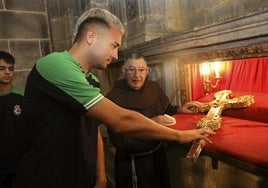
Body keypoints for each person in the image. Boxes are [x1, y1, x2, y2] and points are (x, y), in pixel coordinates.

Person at [14, 8, 214, 188]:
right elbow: (121, 120)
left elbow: (93, 131)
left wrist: (100, 175)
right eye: (113, 45)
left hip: (80, 176)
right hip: (46, 177)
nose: (116, 54)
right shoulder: (55, 64)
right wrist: (180, 135)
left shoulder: (91, 79)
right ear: (91, 36)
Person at [106, 51, 202, 188]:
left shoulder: (153, 88)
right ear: (123, 70)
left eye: (141, 70)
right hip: (133, 163)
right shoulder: (113, 98)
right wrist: (151, 123)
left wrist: (179, 109)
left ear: (147, 70)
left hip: (158, 156)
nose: (137, 76)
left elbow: (165, 110)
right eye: (131, 70)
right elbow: (118, 139)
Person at [0, 51, 24, 188]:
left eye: (11, 69)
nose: (7, 72)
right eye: (2, 69)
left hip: (19, 166)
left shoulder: (21, 98)